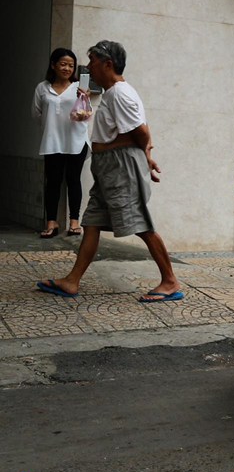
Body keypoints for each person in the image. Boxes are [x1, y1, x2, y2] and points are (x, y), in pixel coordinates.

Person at [36, 40, 182, 302]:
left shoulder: (119, 93)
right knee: (91, 222)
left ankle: (170, 281)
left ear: (108, 64)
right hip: (109, 167)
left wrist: (133, 155)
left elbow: (142, 132)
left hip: (119, 167)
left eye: (92, 60)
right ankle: (71, 281)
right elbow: (138, 132)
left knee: (140, 223)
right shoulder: (113, 93)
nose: (88, 66)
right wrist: (144, 157)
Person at [31, 48, 90, 238]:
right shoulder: (42, 88)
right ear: (53, 64)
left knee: (73, 180)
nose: (67, 68)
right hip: (52, 142)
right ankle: (52, 222)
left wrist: (85, 98)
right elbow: (37, 114)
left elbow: (85, 115)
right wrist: (52, 128)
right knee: (53, 183)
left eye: (71, 65)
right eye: (63, 64)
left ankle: (74, 221)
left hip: (76, 141)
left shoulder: (78, 87)